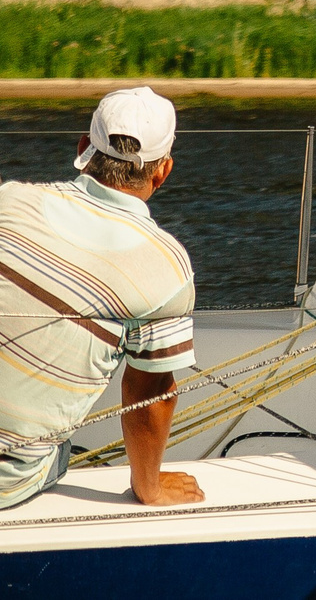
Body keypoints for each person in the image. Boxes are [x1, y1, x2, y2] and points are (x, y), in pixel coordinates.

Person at [0, 86, 199, 510]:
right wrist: (151, 489)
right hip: (8, 479)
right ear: (163, 172)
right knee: (62, 451)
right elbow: (150, 397)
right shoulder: (167, 268)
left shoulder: (10, 200)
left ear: (84, 148)